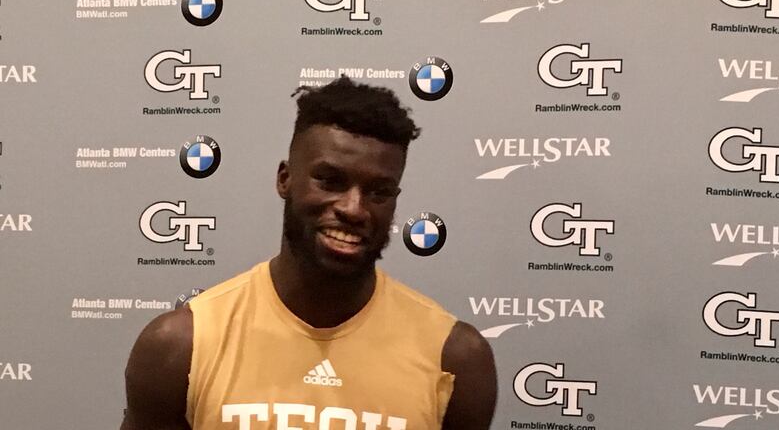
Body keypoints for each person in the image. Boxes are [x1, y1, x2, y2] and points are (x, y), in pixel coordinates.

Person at [120, 77, 497, 430]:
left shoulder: (456, 357)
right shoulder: (181, 344)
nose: (354, 208)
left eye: (378, 191)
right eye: (330, 181)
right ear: (285, 179)